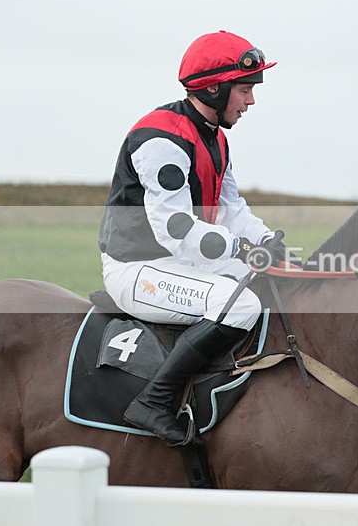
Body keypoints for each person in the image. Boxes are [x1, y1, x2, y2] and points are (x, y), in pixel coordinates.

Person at [98, 30, 285, 446]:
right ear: (214, 88)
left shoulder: (216, 136)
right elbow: (177, 229)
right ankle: (154, 401)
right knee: (239, 306)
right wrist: (241, 250)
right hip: (137, 268)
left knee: (274, 284)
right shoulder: (161, 141)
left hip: (179, 261)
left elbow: (232, 208)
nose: (251, 101)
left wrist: (269, 243)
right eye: (245, 89)